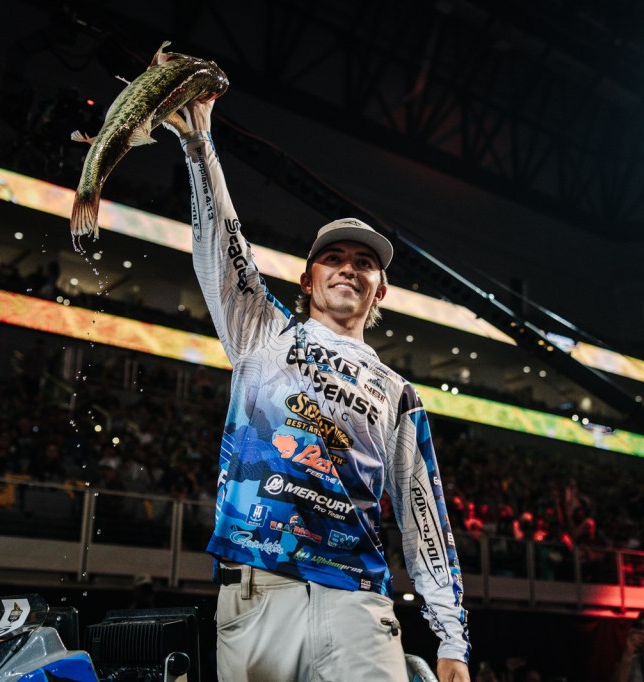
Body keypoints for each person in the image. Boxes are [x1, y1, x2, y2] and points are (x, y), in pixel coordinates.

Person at [165, 97, 470, 681]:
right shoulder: (263, 332)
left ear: (379, 291)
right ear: (308, 281)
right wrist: (199, 143)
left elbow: (423, 516)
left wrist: (451, 638)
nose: (349, 267)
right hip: (259, 583)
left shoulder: (399, 393)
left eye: (364, 262)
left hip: (356, 597)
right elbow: (223, 248)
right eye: (333, 257)